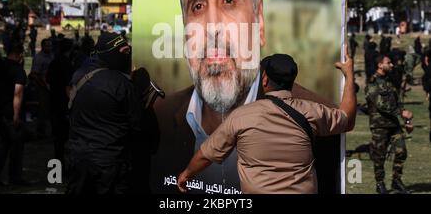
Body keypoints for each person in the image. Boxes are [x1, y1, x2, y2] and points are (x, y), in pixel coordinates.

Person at [152, 0, 344, 193]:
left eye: (229, 0)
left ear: (259, 20)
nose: (212, 27)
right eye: (197, 6)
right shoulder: (159, 117)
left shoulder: (317, 125)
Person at [177, 52, 356, 194]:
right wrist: (349, 75)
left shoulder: (241, 116)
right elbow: (347, 119)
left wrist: (186, 175)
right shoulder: (312, 111)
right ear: (292, 80)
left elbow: (206, 154)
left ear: (264, 80)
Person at [66, 32, 142, 194]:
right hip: (109, 163)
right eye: (125, 52)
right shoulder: (122, 85)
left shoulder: (79, 75)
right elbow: (137, 125)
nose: (128, 56)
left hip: (79, 156)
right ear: (110, 52)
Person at [365, 54, 414, 194]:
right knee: (379, 157)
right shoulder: (372, 82)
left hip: (394, 125)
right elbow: (381, 105)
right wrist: (401, 112)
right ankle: (380, 184)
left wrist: (407, 121)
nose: (392, 65)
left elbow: (399, 103)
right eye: (389, 62)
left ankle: (396, 181)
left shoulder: (389, 82)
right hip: (379, 126)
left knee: (401, 152)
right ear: (380, 65)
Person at [0, 42, 29, 186]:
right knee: (16, 148)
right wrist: (16, 115)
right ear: (19, 55)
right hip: (11, 113)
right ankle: (14, 177)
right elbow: (18, 93)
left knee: (3, 146)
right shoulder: (18, 70)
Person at [46, 38, 74, 168]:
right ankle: (65, 166)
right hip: (64, 104)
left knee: (58, 139)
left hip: (54, 102)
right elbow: (68, 86)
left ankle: (58, 166)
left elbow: (48, 80)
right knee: (67, 138)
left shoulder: (54, 62)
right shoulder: (67, 64)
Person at [29, 38, 53, 137]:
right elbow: (34, 74)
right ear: (42, 46)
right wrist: (43, 84)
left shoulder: (51, 55)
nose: (49, 47)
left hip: (51, 86)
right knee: (42, 110)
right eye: (47, 45)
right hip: (42, 87)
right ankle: (40, 131)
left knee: (50, 110)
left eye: (50, 45)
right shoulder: (39, 58)